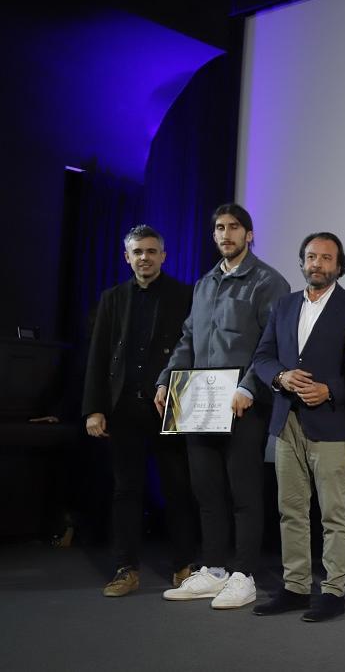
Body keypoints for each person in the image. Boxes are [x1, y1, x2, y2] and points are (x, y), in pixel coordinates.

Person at [157, 203, 290, 609]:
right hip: (199, 401)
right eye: (219, 227)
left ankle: (243, 574)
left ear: (249, 235)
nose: (225, 234)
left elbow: (274, 344)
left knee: (244, 492)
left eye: (234, 227)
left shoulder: (269, 282)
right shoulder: (204, 284)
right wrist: (167, 378)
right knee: (207, 490)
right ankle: (213, 570)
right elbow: (187, 339)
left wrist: (250, 386)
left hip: (243, 403)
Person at [251, 232, 345, 622]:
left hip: (330, 423)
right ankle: (296, 587)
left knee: (334, 512)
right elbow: (262, 358)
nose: (317, 264)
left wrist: (329, 389)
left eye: (326, 258)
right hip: (286, 421)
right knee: (291, 510)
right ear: (302, 262)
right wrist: (280, 377)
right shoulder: (283, 306)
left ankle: (333, 592)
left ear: (339, 265)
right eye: (311, 257)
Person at [82, 225, 197, 596]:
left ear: (164, 255)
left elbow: (193, 349)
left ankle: (183, 566)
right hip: (124, 409)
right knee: (126, 490)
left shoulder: (185, 295)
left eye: (151, 251)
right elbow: (98, 357)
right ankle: (125, 568)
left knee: (178, 488)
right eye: (138, 252)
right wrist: (94, 410)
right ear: (126, 257)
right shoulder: (112, 298)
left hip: (171, 405)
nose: (144, 257)